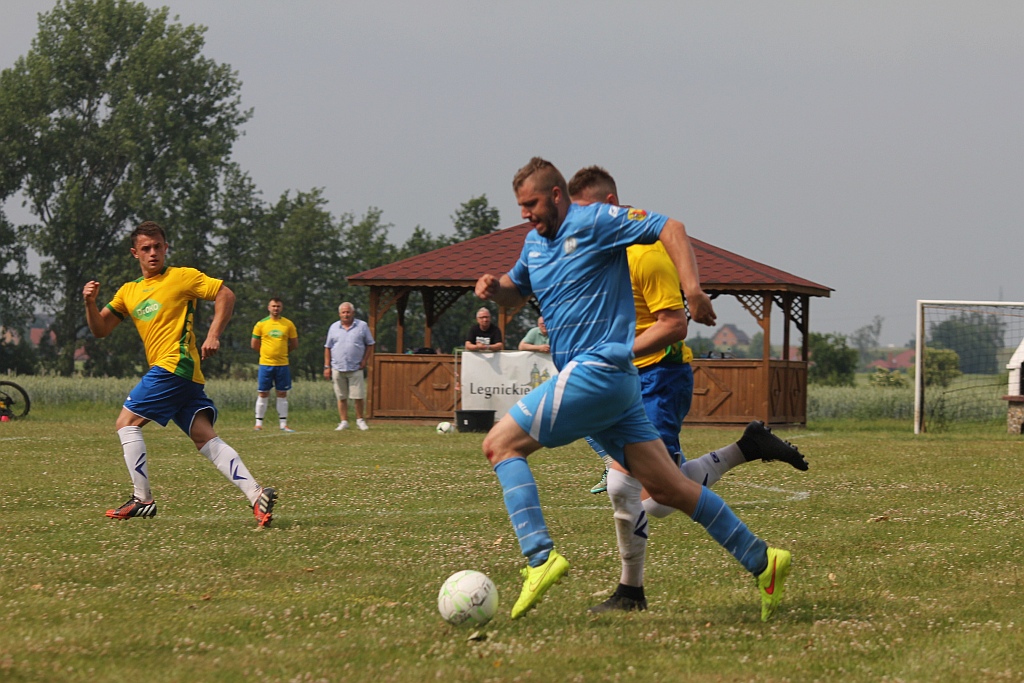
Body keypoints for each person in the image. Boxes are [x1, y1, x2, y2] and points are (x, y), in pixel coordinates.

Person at [475, 157, 791, 622]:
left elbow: (672, 228)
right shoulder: (532, 245)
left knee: (499, 445)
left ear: (557, 195)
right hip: (617, 387)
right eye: (521, 206)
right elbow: (515, 289)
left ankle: (540, 559)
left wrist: (694, 289)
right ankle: (764, 560)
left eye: (533, 203)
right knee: (670, 489)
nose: (526, 213)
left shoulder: (595, 220)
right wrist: (492, 287)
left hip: (597, 371)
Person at [569, 165, 809, 612]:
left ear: (606, 206)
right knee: (639, 489)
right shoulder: (601, 256)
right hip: (626, 379)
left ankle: (633, 592)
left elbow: (674, 327)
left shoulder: (646, 253)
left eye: (583, 212)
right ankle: (631, 592)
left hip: (660, 376)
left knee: (654, 496)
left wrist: (618, 353)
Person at [83, 221, 277, 527]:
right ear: (135, 253)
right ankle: (256, 496)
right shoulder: (128, 292)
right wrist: (90, 303)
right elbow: (101, 329)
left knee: (126, 422)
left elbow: (226, 294)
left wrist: (213, 334)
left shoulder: (181, 277)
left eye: (158, 246)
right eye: (145, 248)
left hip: (175, 365)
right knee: (204, 437)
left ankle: (142, 499)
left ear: (166, 248)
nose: (153, 253)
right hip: (180, 375)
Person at [324, 302, 374, 431]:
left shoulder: (362, 326)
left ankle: (360, 420)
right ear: (339, 314)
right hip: (337, 367)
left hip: (356, 367)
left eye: (348, 312)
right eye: (343, 312)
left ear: (353, 313)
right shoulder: (333, 327)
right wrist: (327, 366)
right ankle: (343, 421)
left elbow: (370, 344)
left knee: (358, 396)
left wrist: (365, 360)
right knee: (341, 396)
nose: (346, 315)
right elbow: (328, 347)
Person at [251, 297, 299, 432]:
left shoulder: (288, 324)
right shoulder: (261, 324)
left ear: (281, 308)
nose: (276, 309)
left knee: (282, 393)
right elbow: (254, 344)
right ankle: (258, 423)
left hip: (283, 364)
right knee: (263, 393)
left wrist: (282, 353)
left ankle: (283, 424)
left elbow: (294, 344)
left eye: (278, 306)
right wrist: (267, 353)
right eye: (273, 306)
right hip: (265, 364)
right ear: (268, 308)